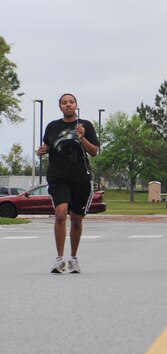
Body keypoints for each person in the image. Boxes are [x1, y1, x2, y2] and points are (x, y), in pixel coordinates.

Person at [37, 93, 100, 274]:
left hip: (80, 178)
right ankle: (59, 259)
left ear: (76, 105)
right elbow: (48, 145)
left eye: (71, 102)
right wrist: (43, 149)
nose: (68, 105)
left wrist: (82, 137)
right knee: (60, 213)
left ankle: (73, 258)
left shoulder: (85, 125)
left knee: (76, 219)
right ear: (60, 107)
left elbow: (95, 152)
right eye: (64, 103)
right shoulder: (52, 126)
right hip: (58, 176)